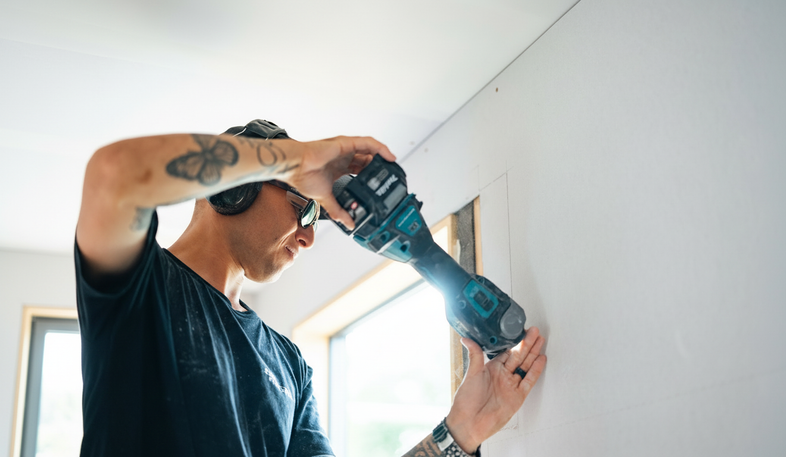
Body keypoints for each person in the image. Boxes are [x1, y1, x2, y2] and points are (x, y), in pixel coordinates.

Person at [75, 119, 547, 457]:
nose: (307, 237)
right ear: (233, 189)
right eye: (304, 208)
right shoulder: (141, 289)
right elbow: (115, 175)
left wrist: (460, 433)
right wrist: (298, 158)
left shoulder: (289, 365)